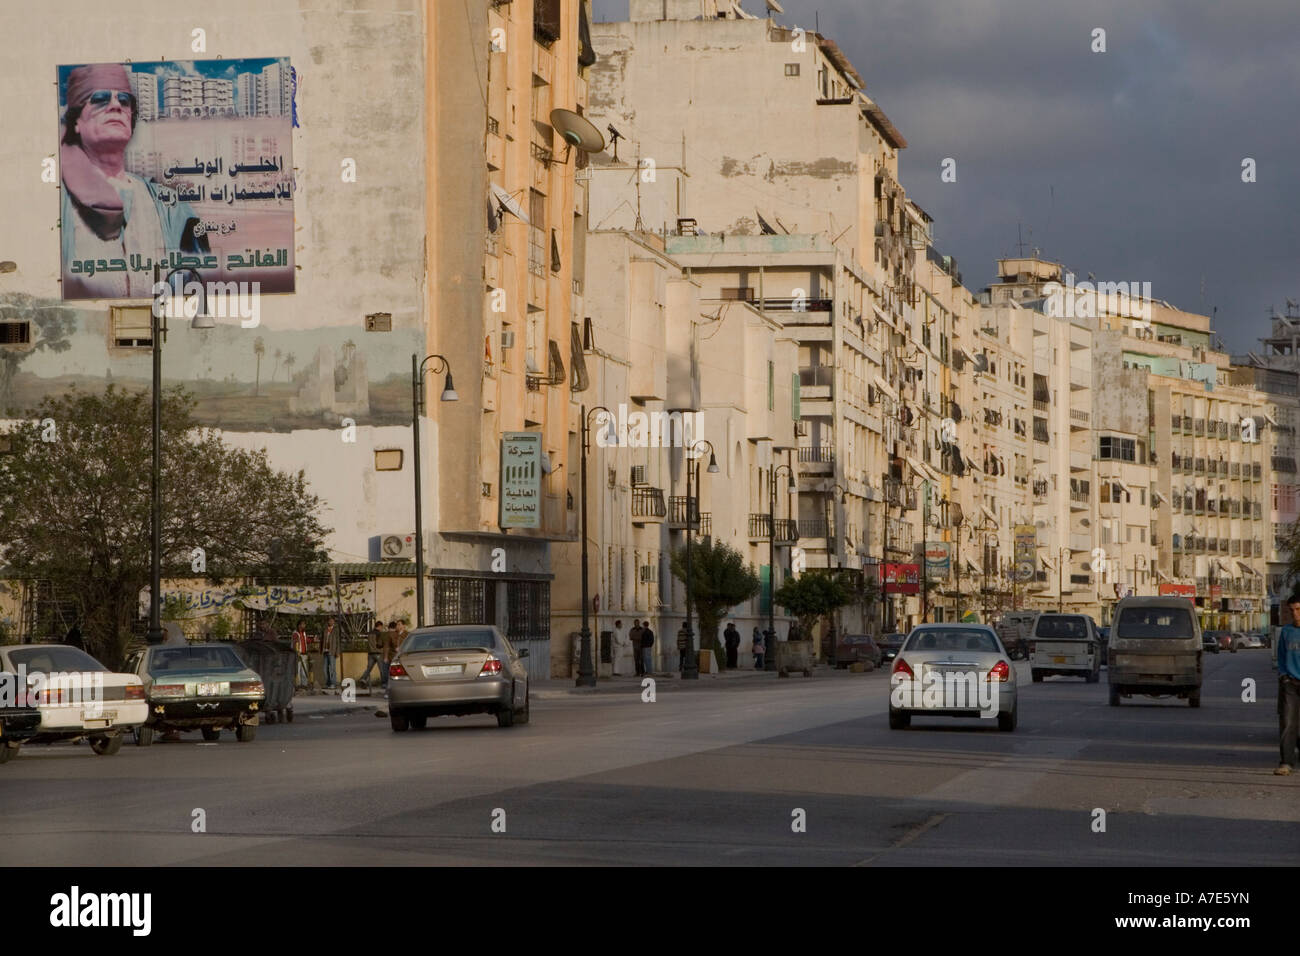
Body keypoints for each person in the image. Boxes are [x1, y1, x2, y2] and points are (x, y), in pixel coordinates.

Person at [59, 63, 207, 299]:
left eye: (124, 100)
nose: (116, 105)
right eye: (100, 98)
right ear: (77, 120)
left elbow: (199, 282)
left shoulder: (170, 208)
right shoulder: (62, 203)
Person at [1275, 595, 1300, 775]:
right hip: (1290, 683)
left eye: (1298, 609)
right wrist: (1284, 675)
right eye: (1292, 610)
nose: (1295, 614)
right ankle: (1286, 762)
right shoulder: (1286, 631)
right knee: (1288, 722)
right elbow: (1281, 656)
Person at [358, 621, 388, 691]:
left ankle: (363, 679)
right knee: (382, 669)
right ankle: (384, 683)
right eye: (382, 627)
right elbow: (380, 644)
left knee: (369, 668)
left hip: (370, 653)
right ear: (379, 626)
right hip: (378, 653)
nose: (382, 628)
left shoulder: (369, 633)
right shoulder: (379, 634)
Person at [321, 618, 340, 692]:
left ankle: (333, 683)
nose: (330, 622)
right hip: (325, 651)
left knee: (332, 668)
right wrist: (321, 649)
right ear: (327, 621)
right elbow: (322, 639)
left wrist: (337, 651)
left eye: (332, 621)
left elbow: (338, 641)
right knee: (325, 668)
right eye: (329, 621)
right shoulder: (325, 629)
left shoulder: (336, 630)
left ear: (334, 622)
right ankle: (327, 683)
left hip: (332, 651)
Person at [291, 619, 310, 690]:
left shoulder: (304, 633)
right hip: (298, 654)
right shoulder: (295, 633)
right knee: (298, 670)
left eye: (304, 624)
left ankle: (304, 684)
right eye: (303, 624)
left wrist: (311, 640)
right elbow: (294, 644)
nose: (304, 626)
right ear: (299, 625)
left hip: (304, 654)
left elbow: (306, 640)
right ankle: (297, 685)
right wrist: (296, 652)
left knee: (304, 670)